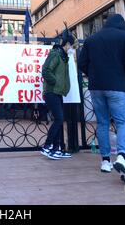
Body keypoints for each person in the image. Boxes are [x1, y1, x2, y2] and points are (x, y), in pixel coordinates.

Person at [78, 14, 125, 182]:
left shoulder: (91, 40)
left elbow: (82, 63)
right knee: (122, 122)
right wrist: (124, 78)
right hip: (118, 86)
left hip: (96, 87)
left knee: (102, 123)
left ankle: (105, 161)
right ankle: (122, 156)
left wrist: (92, 75)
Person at [40, 29, 75, 160]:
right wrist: (54, 82)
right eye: (72, 46)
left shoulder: (64, 57)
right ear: (67, 45)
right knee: (59, 118)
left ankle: (57, 149)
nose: (72, 49)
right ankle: (47, 146)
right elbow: (46, 70)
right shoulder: (55, 54)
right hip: (51, 92)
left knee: (59, 120)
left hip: (58, 92)